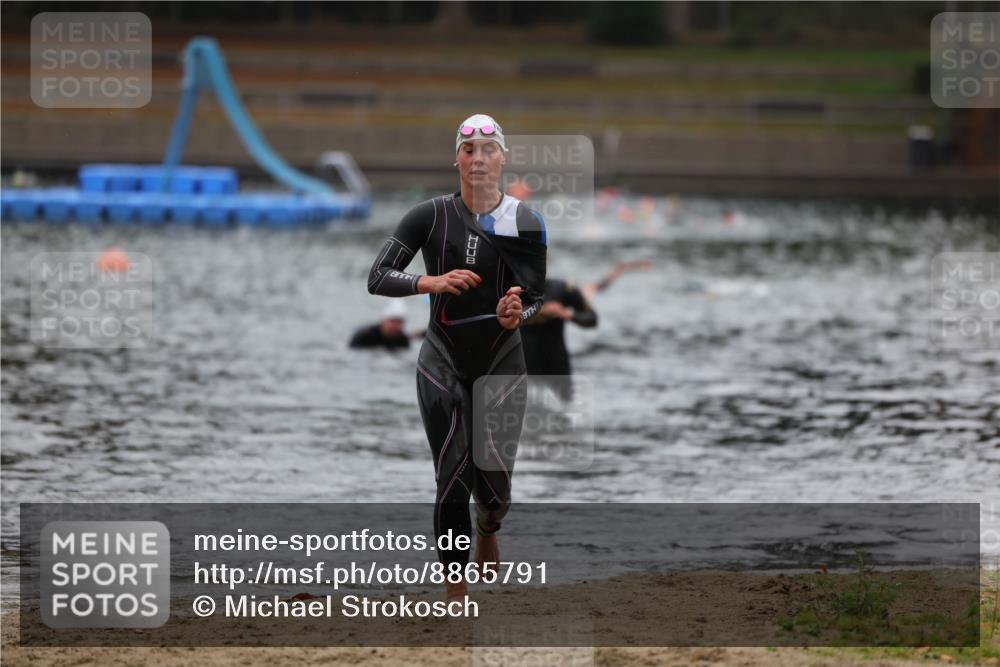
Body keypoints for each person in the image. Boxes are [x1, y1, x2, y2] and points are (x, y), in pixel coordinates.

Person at [366, 114, 547, 602]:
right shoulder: (428, 217)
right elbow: (377, 276)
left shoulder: (526, 222)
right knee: (452, 472)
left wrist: (516, 311)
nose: (479, 158)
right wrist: (430, 282)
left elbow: (532, 297)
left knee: (493, 489)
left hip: (501, 362)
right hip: (441, 357)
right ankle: (455, 591)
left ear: (502, 159)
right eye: (469, 151)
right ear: (457, 160)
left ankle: (487, 528)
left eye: (488, 149)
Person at [521, 261, 650, 401]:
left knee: (564, 412)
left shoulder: (562, 289)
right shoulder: (512, 293)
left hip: (557, 365)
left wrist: (567, 314)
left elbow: (592, 319)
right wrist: (542, 311)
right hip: (523, 368)